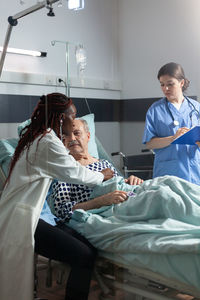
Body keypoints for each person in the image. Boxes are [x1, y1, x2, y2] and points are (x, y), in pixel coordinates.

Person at [0, 93, 114, 300]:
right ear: (61, 119)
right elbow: (76, 173)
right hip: (24, 218)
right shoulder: (47, 142)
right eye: (72, 117)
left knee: (90, 248)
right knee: (84, 255)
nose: (72, 128)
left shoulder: (37, 135)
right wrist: (103, 175)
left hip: (31, 213)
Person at [48, 118, 143, 222]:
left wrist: (133, 183)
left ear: (88, 136)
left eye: (76, 133)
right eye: (65, 136)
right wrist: (101, 201)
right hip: (108, 215)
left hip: (129, 201)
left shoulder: (105, 164)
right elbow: (61, 211)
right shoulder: (66, 171)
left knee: (158, 192)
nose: (72, 139)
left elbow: (121, 187)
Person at [143, 62, 200, 185]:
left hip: (194, 171)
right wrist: (173, 138)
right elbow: (149, 143)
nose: (165, 89)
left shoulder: (196, 108)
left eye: (170, 84)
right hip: (168, 172)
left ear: (182, 83)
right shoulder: (155, 110)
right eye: (162, 85)